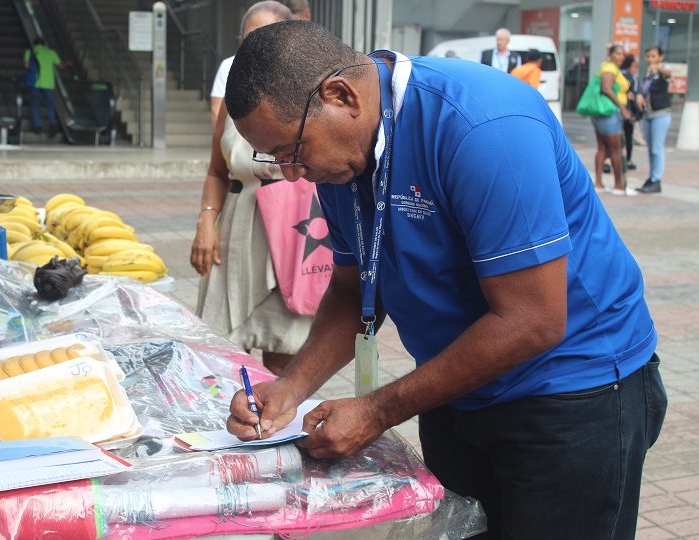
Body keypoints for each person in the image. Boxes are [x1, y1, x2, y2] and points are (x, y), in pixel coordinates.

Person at [224, 21, 665, 539]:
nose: (291, 173)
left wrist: (376, 410)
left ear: (341, 95)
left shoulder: (483, 125)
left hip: (572, 390)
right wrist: (292, 387)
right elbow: (351, 288)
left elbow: (533, 320)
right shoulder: (339, 160)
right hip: (457, 384)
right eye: (273, 157)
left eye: (291, 149)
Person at [191, 1, 311, 376]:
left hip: (290, 229)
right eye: (247, 42)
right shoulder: (232, 101)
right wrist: (206, 221)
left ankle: (277, 427)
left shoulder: (307, 99)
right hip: (237, 227)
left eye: (265, 41)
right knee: (221, 352)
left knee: (283, 353)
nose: (254, 53)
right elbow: (216, 170)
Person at [209, 0, 311, 128]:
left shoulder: (307, 89)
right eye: (251, 38)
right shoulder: (232, 91)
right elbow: (217, 122)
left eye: (270, 40)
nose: (259, 48)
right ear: (241, 40)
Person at [591, 44, 635, 196]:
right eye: (618, 53)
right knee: (616, 149)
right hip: (609, 112)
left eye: (623, 54)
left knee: (603, 148)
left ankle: (599, 182)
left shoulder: (607, 66)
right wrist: (622, 108)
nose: (621, 57)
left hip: (604, 112)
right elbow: (607, 88)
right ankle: (618, 184)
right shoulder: (610, 68)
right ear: (610, 54)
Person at [636, 46, 672, 194]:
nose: (650, 59)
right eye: (648, 57)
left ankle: (656, 179)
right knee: (651, 149)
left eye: (653, 56)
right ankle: (652, 177)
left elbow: (668, 74)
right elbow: (643, 91)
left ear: (660, 57)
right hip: (647, 115)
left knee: (657, 149)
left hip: (660, 114)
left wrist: (658, 68)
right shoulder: (647, 74)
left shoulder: (662, 71)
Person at [24, 38, 62, 137]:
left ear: (34, 44)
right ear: (44, 44)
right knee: (50, 105)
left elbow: (27, 66)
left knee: (35, 105)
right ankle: (52, 125)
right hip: (49, 84)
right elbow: (59, 65)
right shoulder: (51, 52)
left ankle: (37, 127)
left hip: (36, 83)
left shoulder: (30, 52)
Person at [621, 54, 641, 171]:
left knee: (613, 140)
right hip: (626, 112)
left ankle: (608, 162)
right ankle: (627, 160)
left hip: (615, 112)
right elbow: (634, 96)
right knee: (628, 138)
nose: (636, 68)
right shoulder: (631, 77)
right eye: (634, 66)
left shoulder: (617, 73)